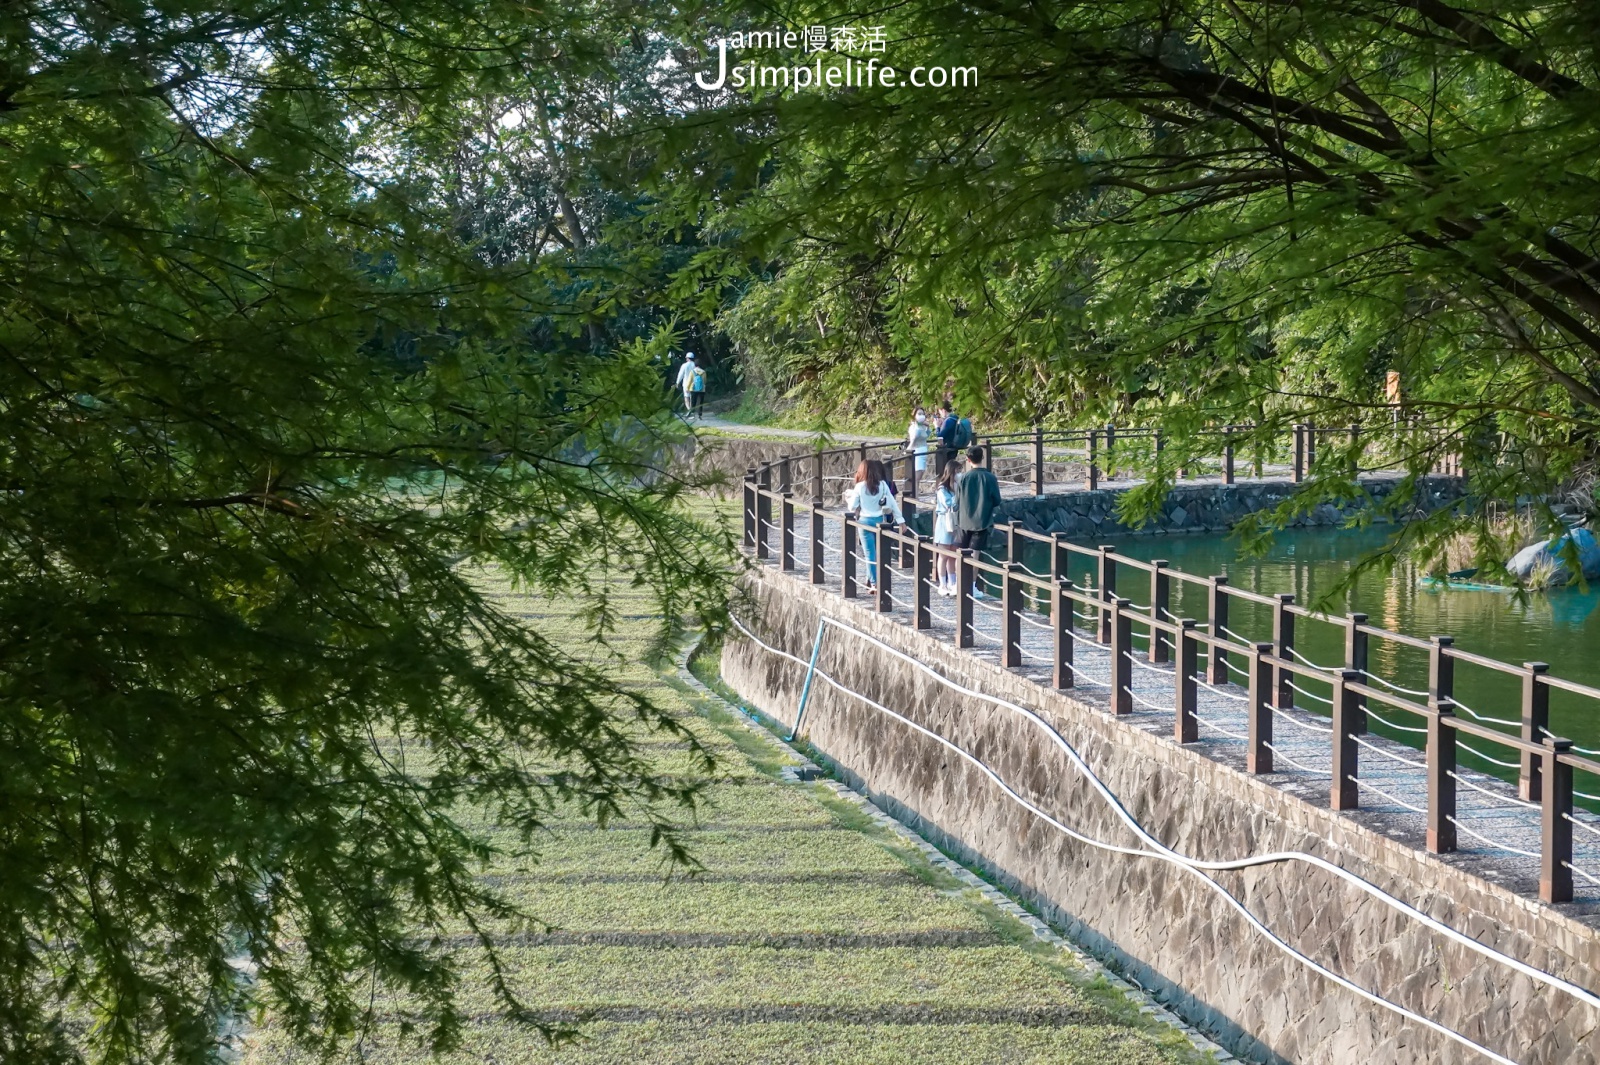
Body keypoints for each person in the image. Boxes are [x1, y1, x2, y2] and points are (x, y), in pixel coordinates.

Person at [845, 458, 905, 592]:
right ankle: (875, 579)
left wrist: (848, 498)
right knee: (880, 553)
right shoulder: (883, 485)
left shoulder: (859, 487)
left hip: (865, 522)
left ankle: (874, 582)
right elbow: (893, 503)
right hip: (880, 521)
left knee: (869, 553)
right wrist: (901, 520)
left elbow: (852, 507)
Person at [956, 445, 1002, 595]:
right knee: (975, 555)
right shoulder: (990, 477)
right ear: (982, 458)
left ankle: (959, 584)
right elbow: (997, 500)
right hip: (981, 522)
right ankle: (972, 586)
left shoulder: (964, 478)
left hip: (963, 521)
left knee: (960, 553)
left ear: (968, 460)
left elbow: (957, 500)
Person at [932, 458, 961, 596]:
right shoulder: (942, 489)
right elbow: (949, 505)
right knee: (943, 555)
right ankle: (942, 584)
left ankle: (953, 582)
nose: (959, 474)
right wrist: (958, 496)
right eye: (957, 471)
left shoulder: (957, 488)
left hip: (955, 523)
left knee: (953, 555)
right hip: (945, 522)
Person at [934, 403, 959, 475]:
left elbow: (940, 436)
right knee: (951, 470)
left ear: (943, 410)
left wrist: (937, 427)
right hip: (953, 448)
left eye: (940, 411)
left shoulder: (948, 421)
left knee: (947, 472)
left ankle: (947, 485)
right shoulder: (955, 418)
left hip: (947, 450)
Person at [905, 406, 930, 477]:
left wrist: (928, 427)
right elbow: (914, 437)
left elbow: (926, 435)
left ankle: (917, 488)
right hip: (917, 451)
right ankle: (916, 488)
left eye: (922, 414)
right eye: (919, 414)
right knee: (917, 475)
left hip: (924, 451)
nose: (921, 416)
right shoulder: (913, 427)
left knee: (921, 473)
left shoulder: (922, 426)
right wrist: (917, 425)